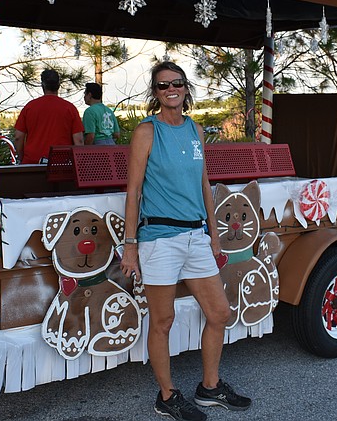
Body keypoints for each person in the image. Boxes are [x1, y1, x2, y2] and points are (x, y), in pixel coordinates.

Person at [120, 61, 251, 421]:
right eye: (163, 85)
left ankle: (210, 387)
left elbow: (203, 183)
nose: (171, 89)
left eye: (177, 83)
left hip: (196, 236)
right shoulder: (147, 131)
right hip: (159, 238)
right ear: (155, 92)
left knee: (219, 312)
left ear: (185, 88)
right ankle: (167, 396)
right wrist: (130, 245)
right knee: (163, 320)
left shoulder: (195, 129)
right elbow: (133, 190)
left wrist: (213, 235)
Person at [14, 69, 83, 164]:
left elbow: (18, 137)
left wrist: (21, 158)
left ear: (43, 85)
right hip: (62, 163)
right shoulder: (70, 108)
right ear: (58, 85)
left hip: (32, 163)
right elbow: (79, 140)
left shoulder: (29, 107)